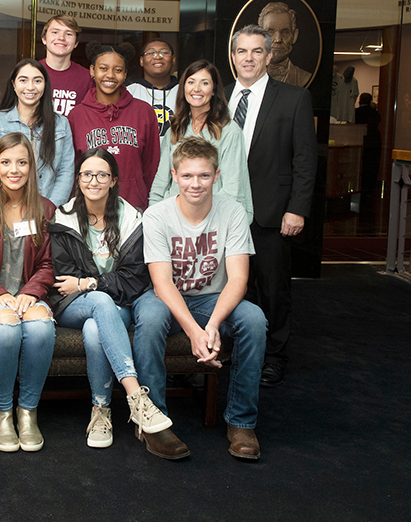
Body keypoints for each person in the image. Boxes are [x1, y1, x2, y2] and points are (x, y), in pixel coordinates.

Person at [132, 137, 267, 460]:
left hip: (212, 298)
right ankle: (154, 423)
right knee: (149, 319)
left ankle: (241, 422)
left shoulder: (232, 212)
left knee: (255, 320)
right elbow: (162, 282)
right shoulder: (156, 215)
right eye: (188, 176)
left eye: (204, 176)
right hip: (166, 297)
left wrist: (214, 324)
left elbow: (239, 278)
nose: (196, 184)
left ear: (217, 176)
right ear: (174, 176)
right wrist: (195, 331)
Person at [49, 148, 171, 451]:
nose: (94, 181)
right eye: (87, 174)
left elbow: (134, 278)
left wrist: (90, 282)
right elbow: (64, 281)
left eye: (102, 174)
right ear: (78, 179)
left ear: (113, 180)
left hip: (118, 304)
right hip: (71, 306)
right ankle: (136, 397)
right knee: (100, 303)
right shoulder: (62, 218)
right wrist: (93, 288)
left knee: (95, 329)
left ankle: (101, 409)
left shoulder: (131, 218)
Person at [227, 25, 317, 388]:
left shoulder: (294, 98)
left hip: (271, 212)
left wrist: (297, 209)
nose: (248, 58)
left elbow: (305, 160)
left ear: (269, 56)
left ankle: (274, 357)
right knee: (229, 287)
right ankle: (231, 349)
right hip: (224, 212)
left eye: (256, 52)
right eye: (241, 51)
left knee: (273, 290)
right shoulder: (220, 98)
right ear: (233, 56)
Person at [0, 133, 56, 453]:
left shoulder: (44, 208)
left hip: (27, 297)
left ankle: (27, 412)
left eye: (21, 162)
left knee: (42, 325)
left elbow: (48, 265)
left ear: (32, 167)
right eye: (6, 162)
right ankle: (1, 412)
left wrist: (31, 292)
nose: (13, 170)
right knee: (6, 326)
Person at [149, 59, 253, 223]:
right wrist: (153, 218)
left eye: (204, 83)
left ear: (214, 90)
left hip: (212, 222)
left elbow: (233, 189)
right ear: (184, 88)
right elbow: (161, 182)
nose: (196, 89)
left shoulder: (229, 131)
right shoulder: (175, 130)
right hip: (173, 220)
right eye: (191, 82)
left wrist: (201, 222)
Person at [67, 42, 160, 210]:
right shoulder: (76, 116)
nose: (110, 75)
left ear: (125, 74)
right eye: (103, 68)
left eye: (117, 70)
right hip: (89, 209)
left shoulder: (143, 112)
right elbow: (72, 169)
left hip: (134, 209)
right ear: (92, 71)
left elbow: (151, 167)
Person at [0, 59, 75, 206]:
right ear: (14, 84)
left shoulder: (61, 123)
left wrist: (50, 207)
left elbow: (66, 171)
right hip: (7, 207)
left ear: (45, 85)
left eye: (37, 81)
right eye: (23, 80)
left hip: (49, 207)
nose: (30, 87)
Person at [39, 14, 93, 116]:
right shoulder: (30, 73)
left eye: (68, 34)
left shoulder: (88, 78)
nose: (61, 38)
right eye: (55, 32)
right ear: (44, 39)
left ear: (76, 43)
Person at [126, 38, 178, 138]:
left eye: (164, 52)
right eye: (151, 53)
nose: (157, 57)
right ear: (141, 61)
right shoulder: (129, 92)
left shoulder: (185, 92)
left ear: (173, 59)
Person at [258, 2, 313, 88]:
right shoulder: (247, 76)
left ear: (294, 36)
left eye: (285, 32)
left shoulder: (304, 77)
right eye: (270, 32)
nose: (278, 39)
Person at [355, 92, 382, 200]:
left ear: (360, 100)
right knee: (372, 167)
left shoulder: (356, 113)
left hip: (361, 142)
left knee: (361, 166)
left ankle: (360, 187)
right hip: (374, 142)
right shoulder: (375, 113)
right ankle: (370, 190)